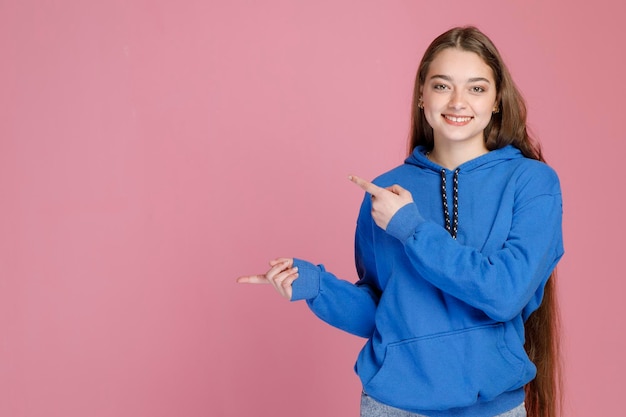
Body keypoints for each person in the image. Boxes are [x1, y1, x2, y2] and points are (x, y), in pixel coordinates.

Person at [238, 26, 563, 417]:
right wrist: (315, 286)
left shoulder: (532, 182)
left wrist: (412, 228)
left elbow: (505, 293)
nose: (459, 101)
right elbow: (384, 311)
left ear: (497, 100)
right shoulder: (385, 194)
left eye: (476, 88)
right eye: (442, 86)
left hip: (492, 409)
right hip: (392, 407)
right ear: (422, 96)